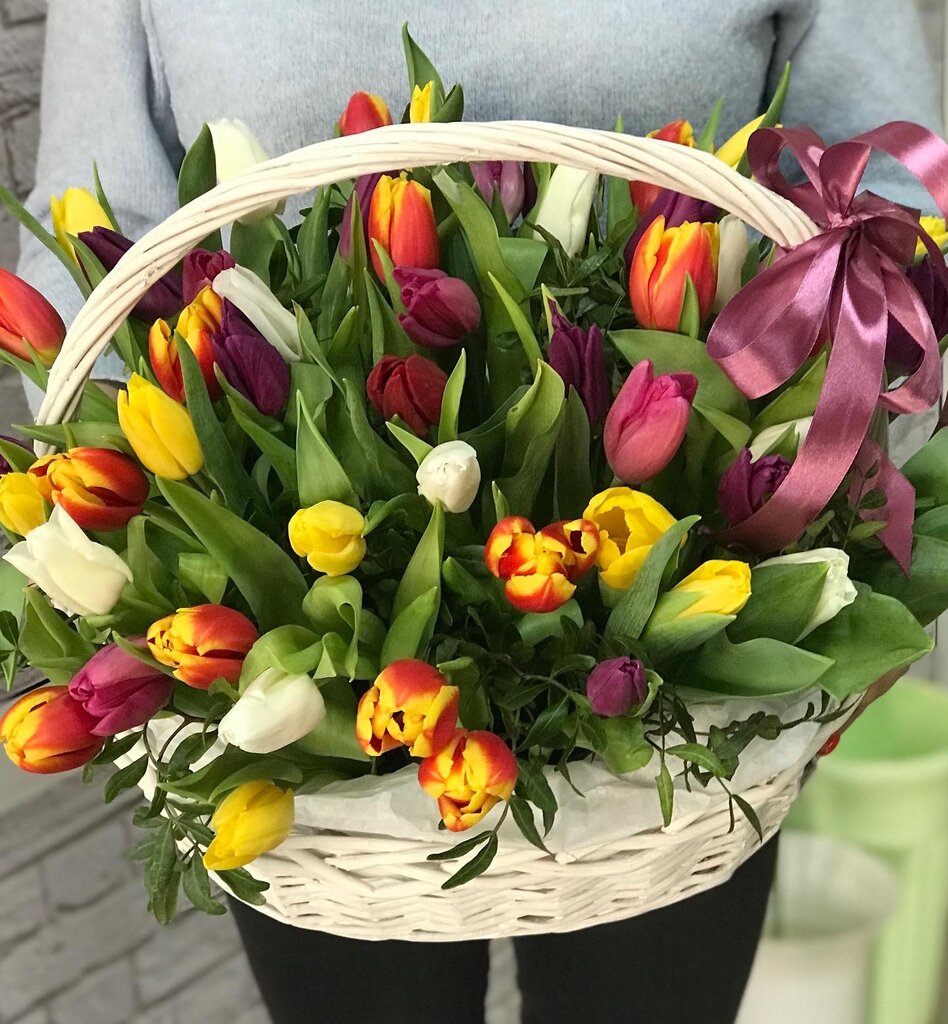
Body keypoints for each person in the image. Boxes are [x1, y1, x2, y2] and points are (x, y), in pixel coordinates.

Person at [15, 3, 942, 1022]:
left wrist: (838, 477)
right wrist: (131, 507)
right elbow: (91, 245)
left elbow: (895, 213)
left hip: (685, 646)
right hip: (308, 731)